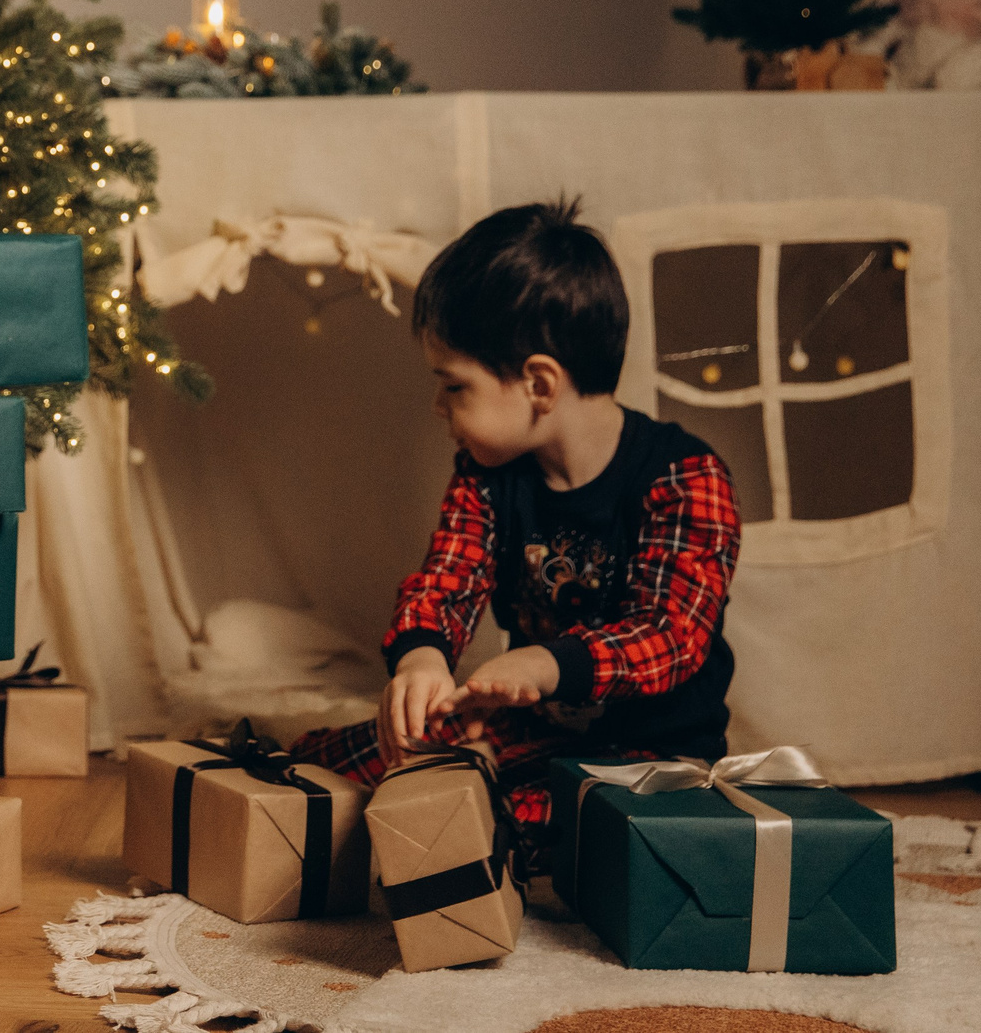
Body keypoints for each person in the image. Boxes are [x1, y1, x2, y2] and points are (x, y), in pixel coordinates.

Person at [286, 200, 742, 853]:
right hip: (535, 728)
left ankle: (498, 827)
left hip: (656, 756)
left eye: (454, 385)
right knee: (332, 760)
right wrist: (421, 661)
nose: (438, 406)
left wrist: (545, 662)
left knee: (509, 819)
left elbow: (670, 634)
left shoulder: (686, 477)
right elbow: (448, 577)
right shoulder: (486, 472)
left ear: (538, 383)